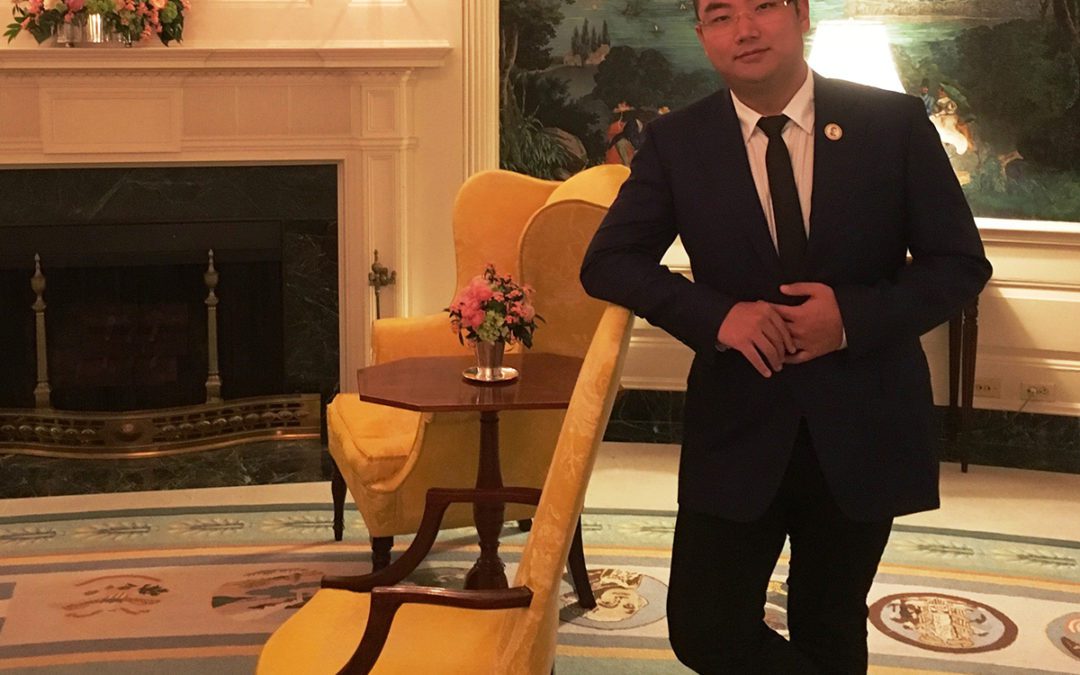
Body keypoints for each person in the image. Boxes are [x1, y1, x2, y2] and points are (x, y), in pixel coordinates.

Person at [579, 0, 992, 672]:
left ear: (800, 15)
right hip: (738, 422)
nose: (744, 29)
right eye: (720, 16)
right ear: (703, 36)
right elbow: (608, 262)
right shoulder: (678, 142)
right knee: (706, 628)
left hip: (863, 418)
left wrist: (850, 318)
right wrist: (717, 316)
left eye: (763, 6)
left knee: (830, 623)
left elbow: (960, 265)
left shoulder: (891, 124)